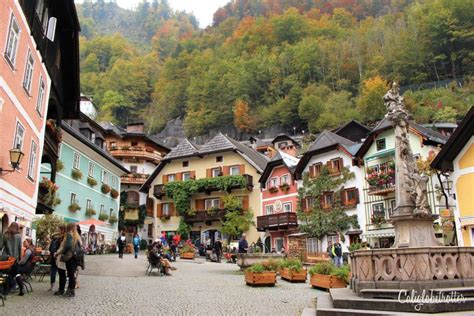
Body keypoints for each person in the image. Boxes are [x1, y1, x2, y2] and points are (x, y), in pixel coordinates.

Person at [55, 223, 82, 297]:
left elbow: (68, 246)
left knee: (70, 275)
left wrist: (60, 252)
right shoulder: (76, 235)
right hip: (75, 257)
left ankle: (70, 292)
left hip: (70, 257)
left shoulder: (69, 235)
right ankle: (70, 291)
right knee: (71, 275)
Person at [2, 222, 22, 291]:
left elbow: (1, 246)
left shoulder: (5, 235)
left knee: (7, 272)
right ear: (17, 228)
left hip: (7, 258)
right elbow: (20, 248)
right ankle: (13, 286)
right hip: (15, 259)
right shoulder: (19, 236)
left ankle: (9, 286)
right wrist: (19, 259)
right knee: (15, 273)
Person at [49, 224, 66, 291]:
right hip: (59, 256)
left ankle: (52, 286)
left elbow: (50, 248)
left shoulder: (54, 237)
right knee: (62, 273)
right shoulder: (62, 237)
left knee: (53, 271)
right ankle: (62, 288)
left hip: (54, 256)